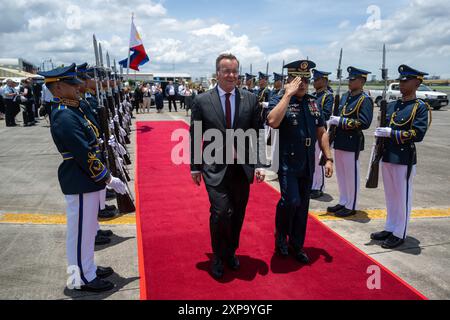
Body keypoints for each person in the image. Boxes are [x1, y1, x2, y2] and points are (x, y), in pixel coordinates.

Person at [39, 63, 128, 292]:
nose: (77, 88)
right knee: (79, 235)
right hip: (80, 179)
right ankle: (79, 278)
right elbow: (83, 152)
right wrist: (108, 178)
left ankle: (87, 268)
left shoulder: (72, 109)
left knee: (88, 232)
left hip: (86, 180)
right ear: (57, 88)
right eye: (71, 85)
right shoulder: (64, 116)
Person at [190, 53, 266, 279]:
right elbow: (195, 135)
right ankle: (218, 255)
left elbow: (258, 133)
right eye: (227, 71)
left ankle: (231, 251)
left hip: (242, 169)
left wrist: (260, 164)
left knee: (238, 213)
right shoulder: (202, 100)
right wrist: (195, 167)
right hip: (214, 168)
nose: (232, 75)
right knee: (221, 212)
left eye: (235, 71)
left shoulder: (250, 99)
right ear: (217, 74)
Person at [266, 60, 333, 263]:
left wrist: (328, 158)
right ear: (288, 81)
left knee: (302, 206)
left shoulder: (313, 102)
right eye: (297, 79)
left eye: (305, 79)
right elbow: (272, 121)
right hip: (288, 161)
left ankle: (296, 245)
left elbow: (321, 131)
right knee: (291, 201)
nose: (302, 83)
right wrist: (287, 94)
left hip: (308, 162)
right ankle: (280, 236)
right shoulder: (279, 99)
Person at [370, 65, 431, 249]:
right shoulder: (392, 105)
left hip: (403, 157)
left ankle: (400, 232)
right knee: (390, 195)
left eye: (406, 80)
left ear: (417, 83)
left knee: (402, 196)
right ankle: (390, 227)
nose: (402, 83)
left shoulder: (419, 107)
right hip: (387, 155)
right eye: (401, 80)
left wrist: (393, 133)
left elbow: (418, 134)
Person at [326, 67, 374, 218]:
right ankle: (343, 200)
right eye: (350, 79)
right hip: (339, 139)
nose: (350, 82)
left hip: (352, 141)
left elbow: (365, 122)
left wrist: (342, 121)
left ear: (362, 81)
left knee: (351, 174)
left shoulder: (364, 100)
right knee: (341, 174)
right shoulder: (346, 96)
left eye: (353, 80)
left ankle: (351, 205)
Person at [310, 69, 334, 199]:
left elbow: (326, 113)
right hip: (311, 130)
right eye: (314, 79)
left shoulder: (327, 96)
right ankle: (312, 184)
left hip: (321, 131)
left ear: (324, 81)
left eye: (317, 79)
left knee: (319, 160)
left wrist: (314, 115)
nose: (314, 82)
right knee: (312, 159)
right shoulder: (313, 95)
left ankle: (318, 187)